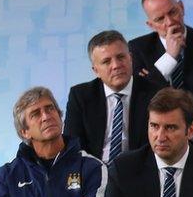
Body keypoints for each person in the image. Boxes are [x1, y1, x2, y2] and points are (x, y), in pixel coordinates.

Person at [64, 30, 160, 162]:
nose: (116, 65)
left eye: (121, 57)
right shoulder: (80, 96)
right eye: (106, 61)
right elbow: (73, 146)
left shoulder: (155, 93)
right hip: (94, 174)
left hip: (140, 172)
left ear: (130, 58)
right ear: (96, 70)